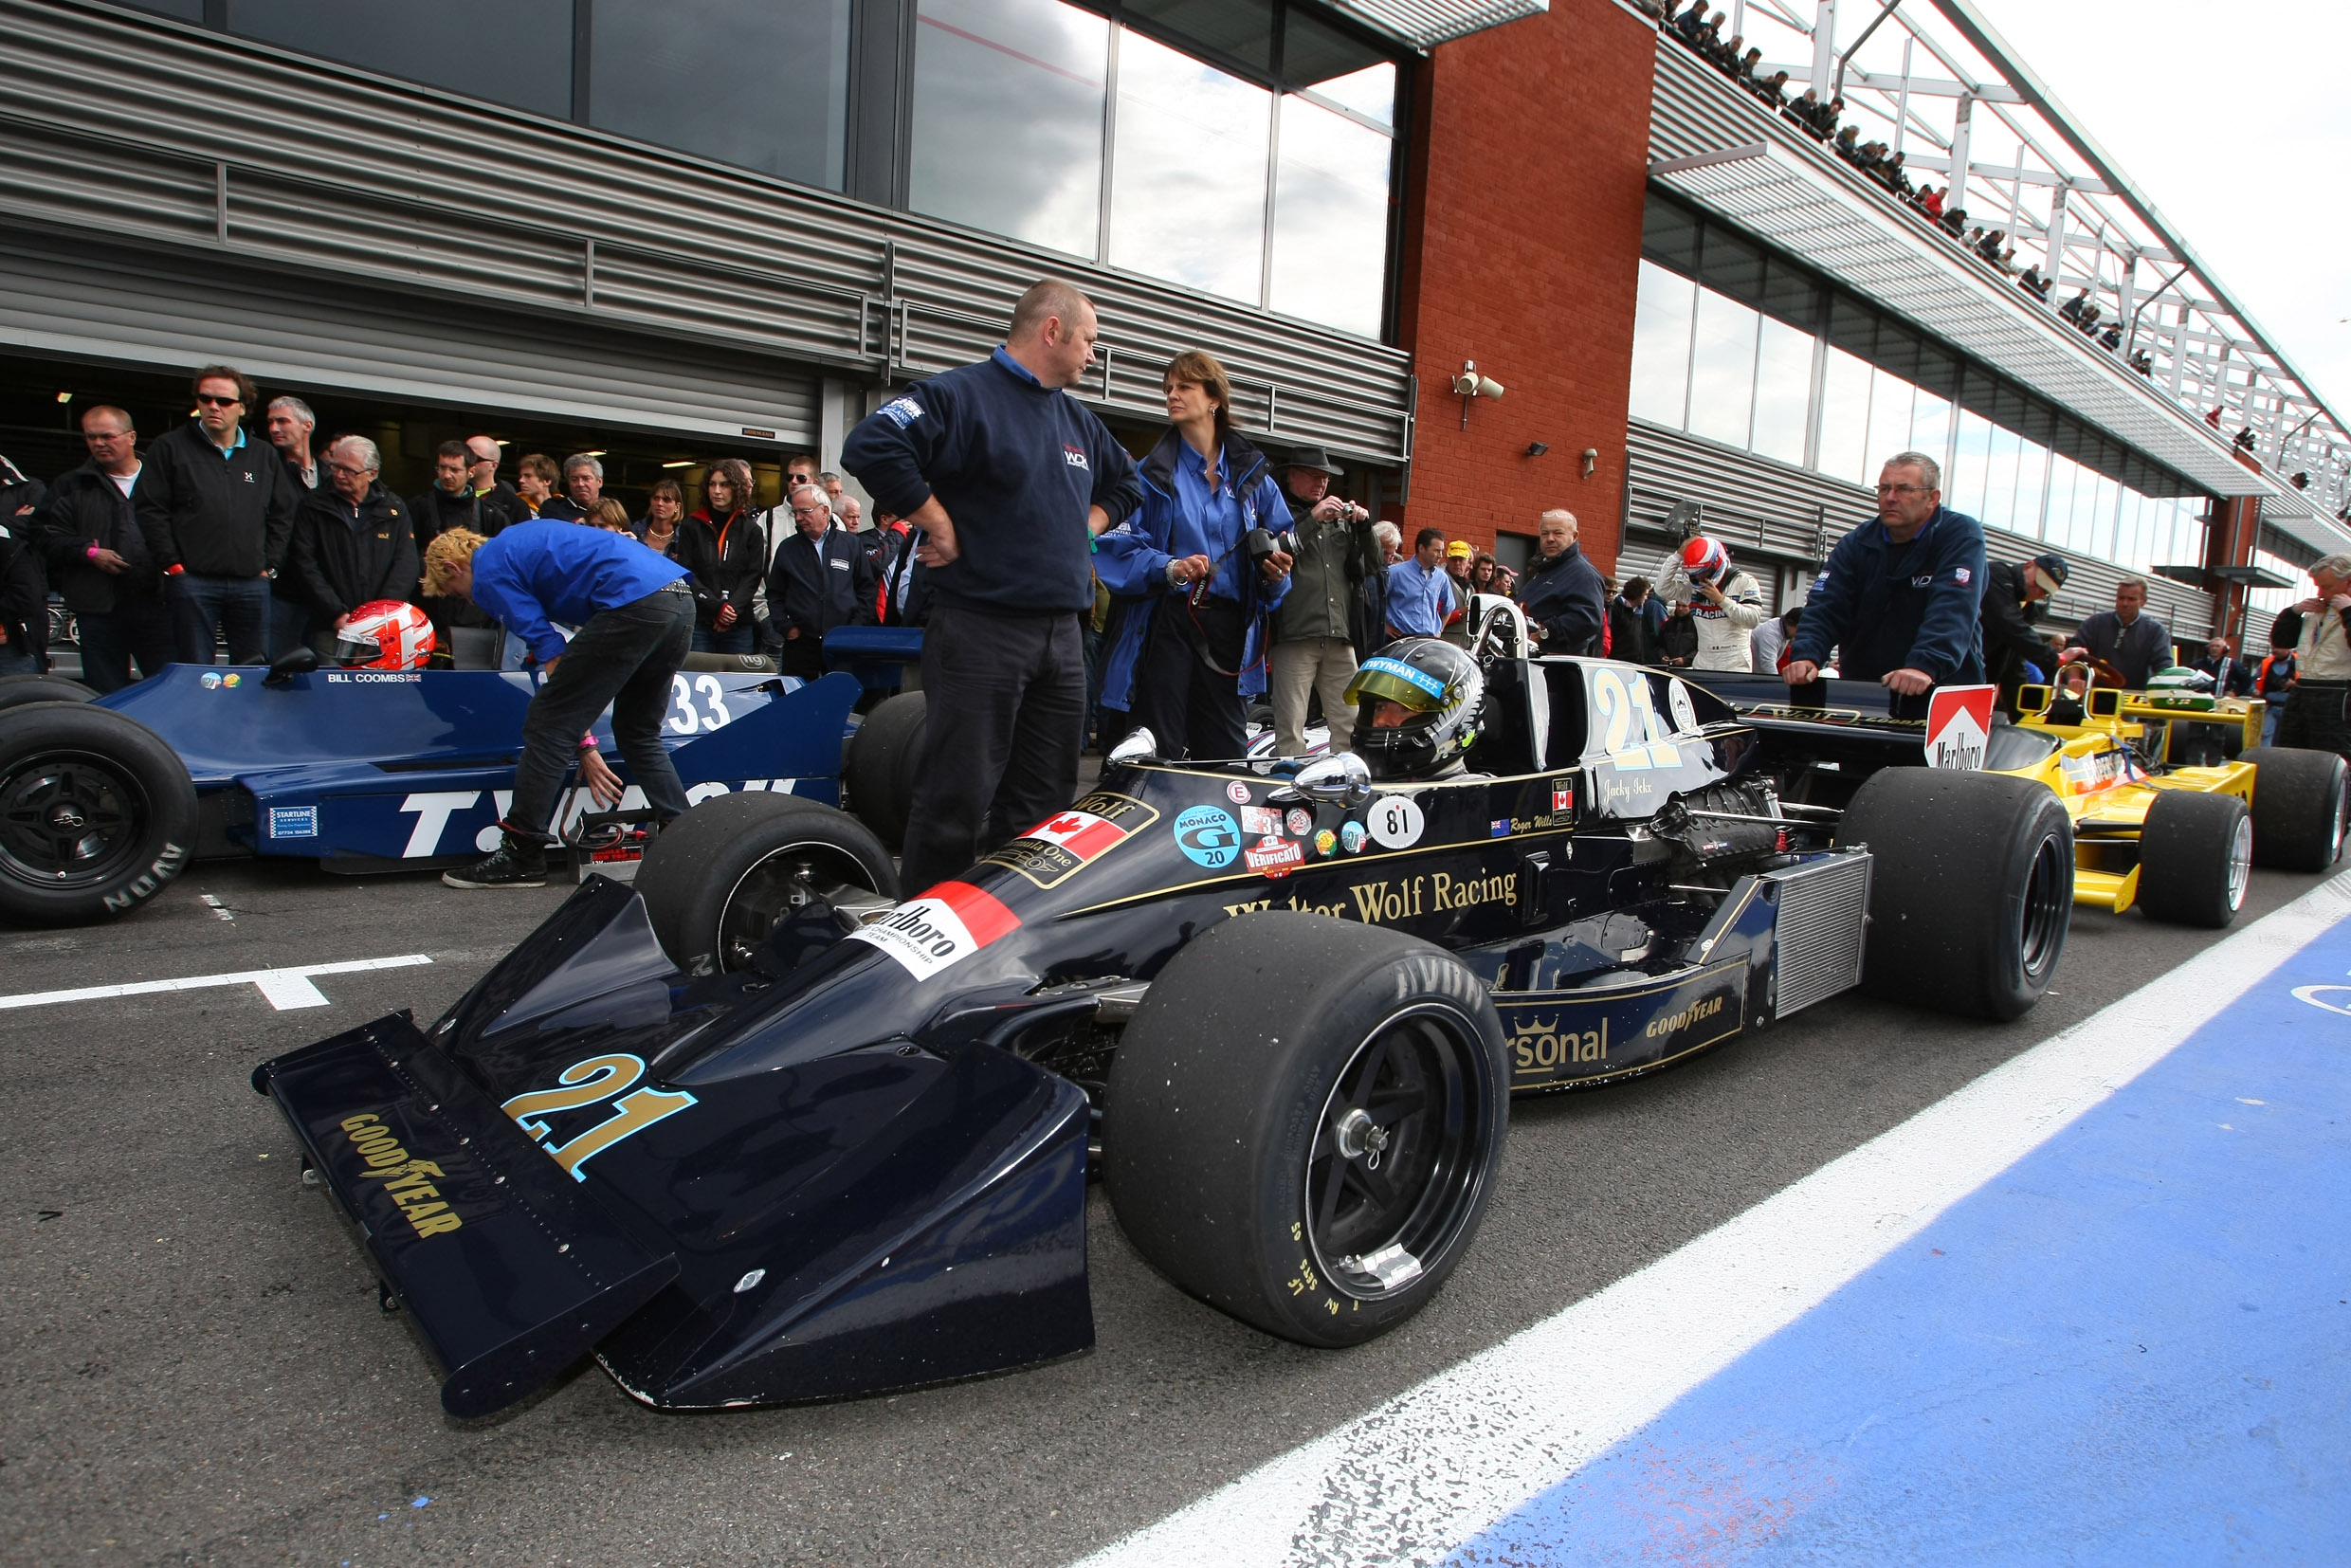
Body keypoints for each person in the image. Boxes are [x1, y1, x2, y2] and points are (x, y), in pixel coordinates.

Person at [841, 278, 1142, 893]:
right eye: (1089, 340)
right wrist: (937, 521)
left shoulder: (1080, 422)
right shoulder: (958, 395)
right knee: (956, 795)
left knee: (1046, 804)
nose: (1094, 355)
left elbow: (1129, 485)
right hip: (980, 631)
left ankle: (1012, 923)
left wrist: (1084, 526)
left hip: (1063, 640)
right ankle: (925, 924)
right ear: (1052, 330)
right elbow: (872, 444)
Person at [422, 524, 694, 888]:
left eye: (457, 593)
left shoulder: (487, 569)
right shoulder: (517, 542)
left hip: (634, 601)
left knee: (548, 724)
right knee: (637, 732)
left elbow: (550, 651)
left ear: (453, 567)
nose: (470, 602)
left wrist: (581, 740)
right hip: (678, 597)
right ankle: (686, 842)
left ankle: (522, 855)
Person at [1096, 350, 1293, 761]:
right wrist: (1170, 567)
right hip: (1167, 619)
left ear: (1214, 398)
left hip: (1231, 627)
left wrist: (1276, 574)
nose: (1172, 395)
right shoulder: (1149, 473)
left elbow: (1281, 548)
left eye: (1184, 386)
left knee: (1225, 752)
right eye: (1168, 388)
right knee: (1158, 745)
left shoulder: (1255, 476)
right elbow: (1115, 548)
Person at [1783, 451, 1986, 719]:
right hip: (1868, 695)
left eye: (1904, 489)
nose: (1890, 497)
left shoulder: (1960, 535)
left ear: (1932, 498)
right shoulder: (1857, 543)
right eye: (1883, 488)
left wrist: (1924, 665)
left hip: (1947, 696)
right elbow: (1825, 605)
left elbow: (1953, 606)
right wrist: (1807, 655)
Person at [135, 364, 297, 666]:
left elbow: (282, 513)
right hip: (192, 581)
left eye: (224, 401)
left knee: (253, 668)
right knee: (196, 669)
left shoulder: (264, 455)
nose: (213, 406)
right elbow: (150, 509)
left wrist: (270, 565)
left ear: (242, 407)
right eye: (205, 398)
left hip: (251, 582)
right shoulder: (170, 448)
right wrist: (172, 564)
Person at [32, 405, 169, 692]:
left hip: (159, 604)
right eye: (91, 437)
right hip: (98, 608)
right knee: (105, 695)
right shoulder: (71, 485)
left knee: (168, 690)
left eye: (107, 436)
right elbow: (43, 534)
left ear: (131, 437)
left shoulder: (165, 482)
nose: (98, 443)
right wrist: (87, 552)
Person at [1263, 443, 1376, 757]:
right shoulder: (1278, 513)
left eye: (1325, 478)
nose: (1322, 484)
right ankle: (1289, 776)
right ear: (1292, 476)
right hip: (1296, 633)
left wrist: (1364, 527)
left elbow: (1374, 566)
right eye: (1314, 476)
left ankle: (1347, 773)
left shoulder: (1339, 520)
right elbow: (1275, 552)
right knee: (1291, 722)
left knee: (1350, 720)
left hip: (1339, 635)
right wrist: (1313, 518)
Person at [285, 435, 418, 660]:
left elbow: (406, 564)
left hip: (382, 629)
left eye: (349, 471)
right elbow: (304, 562)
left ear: (372, 473)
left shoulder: (394, 508)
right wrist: (335, 613)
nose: (339, 475)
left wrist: (380, 616)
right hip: (329, 625)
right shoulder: (313, 505)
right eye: (335, 467)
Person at [766, 482, 872, 679]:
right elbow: (775, 593)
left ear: (825, 511)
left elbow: (866, 589)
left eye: (805, 511)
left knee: (839, 693)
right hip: (801, 643)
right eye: (796, 512)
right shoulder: (788, 548)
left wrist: (854, 629)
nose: (799, 518)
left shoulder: (850, 544)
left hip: (842, 642)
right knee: (799, 694)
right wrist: (786, 628)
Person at [675, 459, 764, 655]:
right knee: (697, 672)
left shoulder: (751, 530)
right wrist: (717, 607)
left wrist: (731, 609)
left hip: (738, 623)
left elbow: (753, 576)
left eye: (724, 485)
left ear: (736, 488)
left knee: (738, 675)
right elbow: (686, 572)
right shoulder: (691, 526)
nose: (717, 491)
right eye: (712, 484)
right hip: (701, 620)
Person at [2277, 555, 2351, 764]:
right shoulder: (2316, 609)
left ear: (2348, 581)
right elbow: (2281, 642)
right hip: (2303, 688)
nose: (2320, 593)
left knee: (2332, 759)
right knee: (2291, 753)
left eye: (2326, 587)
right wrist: (2293, 613)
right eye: (2318, 586)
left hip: (2339, 692)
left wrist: (2348, 612)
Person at [1653, 534, 1763, 670]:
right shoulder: (1693, 588)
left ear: (1717, 564)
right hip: (1704, 658)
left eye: (1704, 572)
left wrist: (1722, 601)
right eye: (1695, 574)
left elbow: (1753, 620)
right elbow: (1661, 589)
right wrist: (1678, 556)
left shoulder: (1743, 581)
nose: (1700, 578)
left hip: (1734, 659)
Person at [1978, 551, 2070, 715]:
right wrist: (2056, 657)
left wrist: (2023, 716)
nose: (2037, 591)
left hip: (1979, 685)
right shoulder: (1997, 574)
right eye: (2037, 582)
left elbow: (2014, 670)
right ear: (2029, 566)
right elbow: (2008, 624)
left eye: (2044, 591)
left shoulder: (2025, 611)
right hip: (1954, 673)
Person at [1518, 509, 1606, 656]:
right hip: (1528, 658)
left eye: (1558, 533)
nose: (1550, 539)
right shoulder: (1543, 570)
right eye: (1545, 534)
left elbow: (1587, 620)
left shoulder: (1584, 575)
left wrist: (1543, 632)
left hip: (1555, 663)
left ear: (1575, 536)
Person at [2066, 575, 2170, 690]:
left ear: (2143, 601)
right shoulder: (2094, 623)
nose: (2125, 603)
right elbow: (2074, 654)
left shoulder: (2155, 631)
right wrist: (2074, 680)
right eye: (2121, 598)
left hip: (2135, 696)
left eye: (2131, 599)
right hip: (2092, 694)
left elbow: (2164, 667)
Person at [1385, 527, 1456, 641]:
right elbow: (1375, 602)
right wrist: (1384, 627)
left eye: (1441, 551)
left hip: (1428, 640)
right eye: (1436, 550)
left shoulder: (1441, 578)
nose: (1440, 555)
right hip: (1399, 639)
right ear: (1421, 548)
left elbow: (1448, 608)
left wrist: (1439, 630)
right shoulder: (1395, 573)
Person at [2257, 611, 2302, 746]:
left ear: (2288, 648)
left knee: (2285, 737)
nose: (2275, 650)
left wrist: (2294, 684)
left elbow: (2308, 682)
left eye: (2278, 647)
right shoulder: (2266, 662)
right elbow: (2255, 679)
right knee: (2265, 734)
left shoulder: (2300, 662)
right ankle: (2264, 756)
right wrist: (2255, 690)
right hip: (2269, 706)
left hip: (2290, 708)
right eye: (2273, 647)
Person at [465, 436, 524, 527]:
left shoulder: (515, 505)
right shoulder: (448, 495)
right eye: (463, 457)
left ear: (493, 465)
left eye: (474, 458)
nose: (467, 462)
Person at [264, 396, 319, 492]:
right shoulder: (266, 466)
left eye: (282, 421)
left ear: (307, 426)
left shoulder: (329, 472)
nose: (273, 429)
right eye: (270, 422)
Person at [1610, 576, 1659, 665]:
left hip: (1635, 664)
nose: (1646, 598)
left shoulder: (1638, 612)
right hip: (1618, 663)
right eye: (1645, 595)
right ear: (1638, 594)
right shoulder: (1615, 609)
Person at [540, 454, 603, 521]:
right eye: (574, 479)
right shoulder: (554, 507)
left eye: (586, 478)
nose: (580, 484)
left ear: (599, 482)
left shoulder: (609, 511)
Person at [2191, 635, 2254, 699]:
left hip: (2222, 700)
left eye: (2218, 646)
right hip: (2201, 699)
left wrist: (2235, 692)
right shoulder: (2196, 664)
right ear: (2207, 648)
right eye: (2212, 646)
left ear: (2224, 649)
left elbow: (2246, 681)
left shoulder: (2232, 664)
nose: (2214, 648)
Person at [1440, 539, 1477, 646]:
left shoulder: (1470, 587)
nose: (1457, 563)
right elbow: (1433, 618)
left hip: (1465, 644)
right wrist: (1460, 613)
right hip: (1444, 643)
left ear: (1467, 561)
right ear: (1447, 560)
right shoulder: (1439, 581)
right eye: (1453, 559)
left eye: (1461, 560)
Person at [636, 478, 684, 555]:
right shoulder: (636, 531)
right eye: (656, 498)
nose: (659, 503)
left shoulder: (684, 537)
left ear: (677, 507)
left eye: (666, 500)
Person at [512, 453, 559, 520]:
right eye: (521, 476)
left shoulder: (564, 507)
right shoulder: (513, 506)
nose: (521, 480)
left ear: (547, 481)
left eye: (528, 476)